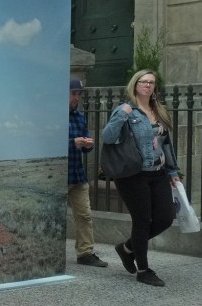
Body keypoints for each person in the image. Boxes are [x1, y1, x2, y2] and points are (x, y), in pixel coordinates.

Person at [101, 70, 180, 287]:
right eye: (143, 82)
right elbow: (108, 137)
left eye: (151, 82)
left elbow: (166, 144)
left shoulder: (158, 111)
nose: (147, 85)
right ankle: (143, 270)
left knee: (165, 217)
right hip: (133, 174)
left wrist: (173, 172)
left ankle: (126, 249)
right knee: (143, 220)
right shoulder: (125, 110)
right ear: (135, 85)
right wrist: (121, 115)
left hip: (159, 173)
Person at [68, 78, 108, 267]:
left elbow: (85, 143)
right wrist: (73, 143)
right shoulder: (51, 117)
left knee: (84, 215)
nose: (77, 97)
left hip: (77, 174)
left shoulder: (79, 117)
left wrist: (87, 144)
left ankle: (85, 253)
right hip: (59, 175)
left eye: (78, 94)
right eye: (73, 93)